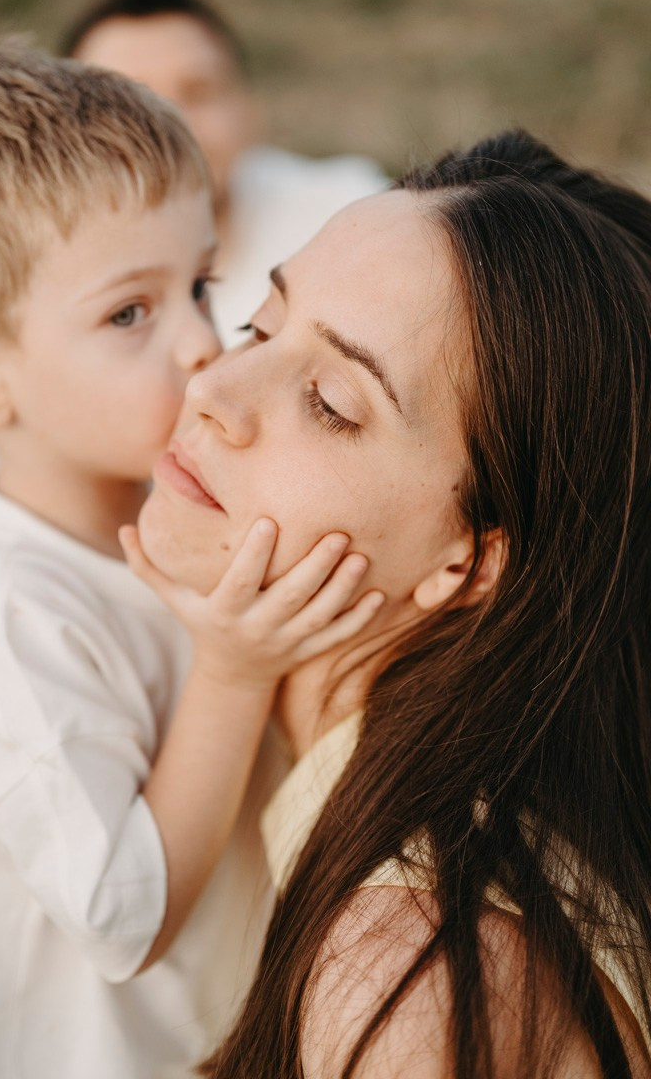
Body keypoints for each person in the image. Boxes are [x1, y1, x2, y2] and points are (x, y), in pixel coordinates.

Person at [0, 42, 383, 1078]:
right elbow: (123, 916)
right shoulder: (6, 629)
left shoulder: (169, 513)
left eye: (200, 285)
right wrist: (233, 671)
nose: (199, 343)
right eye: (129, 313)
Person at [122, 129, 651, 1078]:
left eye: (329, 401)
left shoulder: (415, 982)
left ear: (470, 562)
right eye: (257, 325)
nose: (212, 390)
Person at [64, 0, 388, 343]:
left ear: (249, 108)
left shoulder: (348, 215)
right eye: (130, 103)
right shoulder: (41, 280)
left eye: (198, 91)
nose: (174, 125)